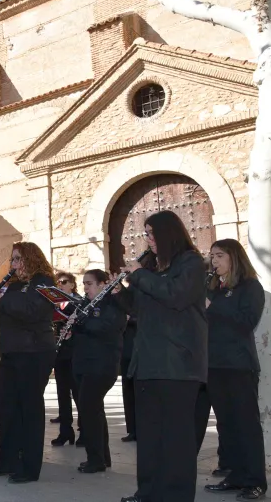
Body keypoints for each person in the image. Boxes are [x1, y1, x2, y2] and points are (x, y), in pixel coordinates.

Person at [116, 210, 207, 502]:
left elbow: (175, 295)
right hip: (149, 364)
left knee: (177, 440)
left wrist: (140, 275)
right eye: (145, 234)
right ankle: (149, 492)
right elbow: (139, 309)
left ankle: (176, 496)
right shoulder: (153, 270)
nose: (148, 240)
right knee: (150, 436)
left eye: (152, 234)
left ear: (168, 234)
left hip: (178, 365)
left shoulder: (192, 263)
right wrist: (119, 290)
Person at [195, 239, 267, 500]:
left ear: (234, 258)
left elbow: (246, 322)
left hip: (238, 366)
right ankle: (235, 475)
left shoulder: (250, 287)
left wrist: (213, 306)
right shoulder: (213, 288)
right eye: (212, 256)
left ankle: (255, 480)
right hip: (213, 365)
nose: (214, 261)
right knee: (226, 425)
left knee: (246, 425)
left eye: (220, 256)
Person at [0, 242, 55, 484]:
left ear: (29, 259)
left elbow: (32, 310)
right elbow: (8, 318)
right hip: (12, 352)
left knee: (29, 410)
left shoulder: (43, 282)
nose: (12, 265)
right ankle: (7, 460)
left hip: (34, 352)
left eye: (16, 259)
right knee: (5, 407)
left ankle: (30, 468)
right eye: (12, 260)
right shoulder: (15, 286)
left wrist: (1, 300)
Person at [67, 269, 125, 473]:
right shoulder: (84, 304)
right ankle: (102, 456)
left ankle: (95, 459)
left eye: (89, 283)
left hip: (101, 364)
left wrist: (82, 323)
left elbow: (108, 327)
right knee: (94, 410)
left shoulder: (112, 303)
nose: (85, 288)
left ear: (102, 284)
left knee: (89, 409)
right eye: (84, 284)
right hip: (84, 363)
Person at [50, 271, 82, 446]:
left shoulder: (78, 302)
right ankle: (65, 431)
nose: (60, 285)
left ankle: (83, 431)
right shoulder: (55, 305)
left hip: (75, 353)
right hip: (60, 353)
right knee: (62, 394)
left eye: (63, 282)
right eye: (58, 283)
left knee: (78, 393)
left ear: (72, 285)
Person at [120, 314, 137, 443]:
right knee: (127, 391)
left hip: (138, 352)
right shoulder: (123, 300)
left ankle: (140, 429)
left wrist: (130, 319)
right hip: (125, 351)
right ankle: (131, 429)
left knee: (138, 392)